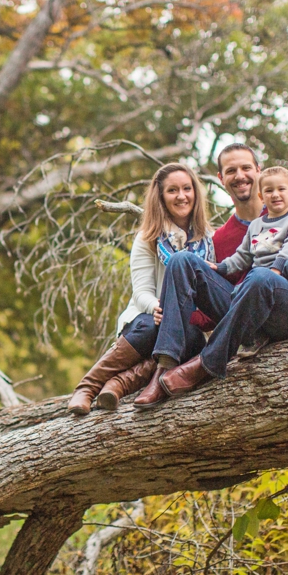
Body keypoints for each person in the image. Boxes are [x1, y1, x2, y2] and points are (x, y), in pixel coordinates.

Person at [133, 143, 288, 407]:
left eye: (246, 167)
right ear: (221, 179)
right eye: (231, 170)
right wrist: (173, 318)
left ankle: (207, 362)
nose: (240, 175)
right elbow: (219, 308)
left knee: (260, 277)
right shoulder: (221, 238)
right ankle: (164, 367)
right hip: (247, 326)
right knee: (181, 260)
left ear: (258, 171)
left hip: (287, 314)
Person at [67, 163, 214, 415]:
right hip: (147, 318)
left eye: (187, 189)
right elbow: (141, 291)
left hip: (187, 326)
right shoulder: (148, 237)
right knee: (152, 325)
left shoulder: (208, 240)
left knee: (190, 338)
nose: (181, 196)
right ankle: (88, 387)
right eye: (172, 190)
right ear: (161, 197)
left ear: (195, 193)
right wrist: (157, 308)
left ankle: (116, 385)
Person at [211, 166, 288, 332]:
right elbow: (243, 255)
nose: (275, 194)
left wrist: (277, 267)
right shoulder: (256, 225)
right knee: (238, 291)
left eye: (281, 189)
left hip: (287, 280)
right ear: (261, 196)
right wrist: (221, 267)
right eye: (269, 190)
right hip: (262, 277)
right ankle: (255, 333)